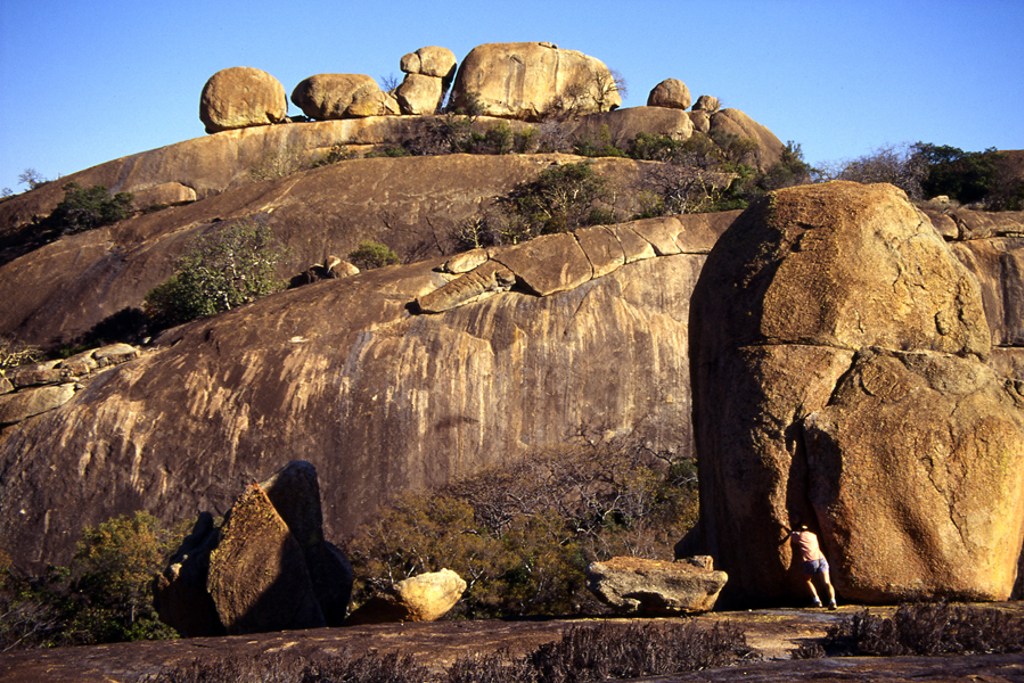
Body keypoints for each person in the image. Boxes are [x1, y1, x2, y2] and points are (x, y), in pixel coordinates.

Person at [788, 522, 837, 610]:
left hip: (810, 561)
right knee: (827, 582)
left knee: (807, 580)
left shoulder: (799, 536)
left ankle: (816, 601)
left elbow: (790, 535)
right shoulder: (813, 535)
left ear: (799, 529)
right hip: (821, 559)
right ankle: (833, 601)